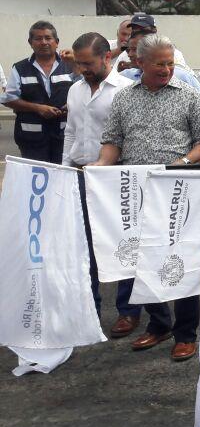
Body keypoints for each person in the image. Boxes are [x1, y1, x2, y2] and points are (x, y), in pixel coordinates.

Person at [95, 35, 200, 362]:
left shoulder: (189, 95)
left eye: (170, 63)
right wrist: (100, 165)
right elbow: (112, 142)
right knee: (140, 258)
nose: (166, 69)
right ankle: (159, 324)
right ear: (140, 63)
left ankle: (186, 333)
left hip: (179, 190)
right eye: (159, 63)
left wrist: (184, 163)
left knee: (182, 260)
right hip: (135, 191)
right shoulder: (123, 99)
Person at [62, 32, 133, 326]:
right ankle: (89, 305)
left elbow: (131, 137)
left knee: (122, 243)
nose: (82, 69)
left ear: (107, 57)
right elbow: (71, 131)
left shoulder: (127, 90)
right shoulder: (74, 90)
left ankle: (128, 312)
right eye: (78, 64)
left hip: (114, 177)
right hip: (79, 173)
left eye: (88, 63)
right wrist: (64, 167)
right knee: (84, 243)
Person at [2, 20, 73, 163]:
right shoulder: (20, 68)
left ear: (56, 42)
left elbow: (84, 90)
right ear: (30, 42)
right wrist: (37, 108)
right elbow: (8, 98)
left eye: (48, 38)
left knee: (63, 177)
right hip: (31, 139)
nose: (44, 42)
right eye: (38, 38)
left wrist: (71, 104)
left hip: (65, 136)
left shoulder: (71, 65)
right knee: (35, 178)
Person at [112, 13, 190, 71]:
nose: (139, 33)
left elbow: (178, 74)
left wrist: (135, 66)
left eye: (144, 30)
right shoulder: (125, 54)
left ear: (154, 32)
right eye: (135, 29)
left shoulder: (171, 52)